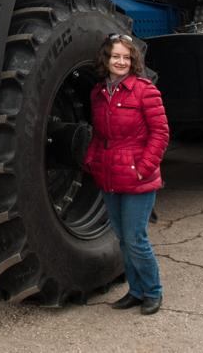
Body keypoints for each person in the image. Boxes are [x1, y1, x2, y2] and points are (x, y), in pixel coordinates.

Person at [83, 32, 170, 315]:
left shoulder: (145, 91)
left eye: (126, 57)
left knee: (136, 238)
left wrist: (143, 168)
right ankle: (135, 291)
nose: (120, 61)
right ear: (106, 60)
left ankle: (153, 292)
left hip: (137, 176)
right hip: (109, 174)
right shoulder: (98, 93)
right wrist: (92, 160)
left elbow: (160, 134)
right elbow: (99, 135)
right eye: (115, 56)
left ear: (133, 61)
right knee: (122, 238)